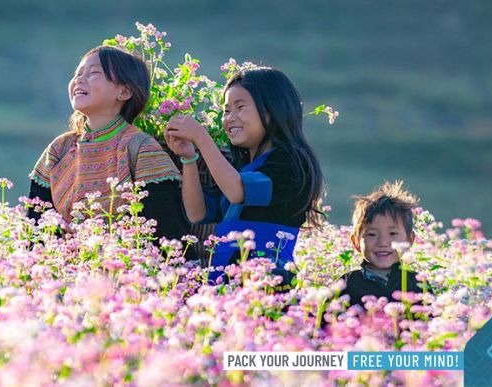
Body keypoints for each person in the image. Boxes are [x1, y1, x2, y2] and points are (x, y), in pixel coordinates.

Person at [164, 67, 324, 286]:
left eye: (240, 107)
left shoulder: (291, 161)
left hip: (266, 279)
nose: (230, 118)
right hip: (224, 276)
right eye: (226, 110)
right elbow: (197, 213)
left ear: (272, 109)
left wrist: (201, 137)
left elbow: (238, 191)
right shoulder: (240, 169)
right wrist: (189, 158)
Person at [27, 46, 188, 241]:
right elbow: (34, 229)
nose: (79, 79)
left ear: (124, 92)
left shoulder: (142, 149)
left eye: (94, 73)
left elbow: (166, 233)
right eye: (78, 73)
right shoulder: (59, 149)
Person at [342, 180, 427, 307]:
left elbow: (430, 323)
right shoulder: (347, 284)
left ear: (409, 240)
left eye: (393, 234)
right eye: (371, 234)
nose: (382, 243)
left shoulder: (417, 283)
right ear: (355, 241)